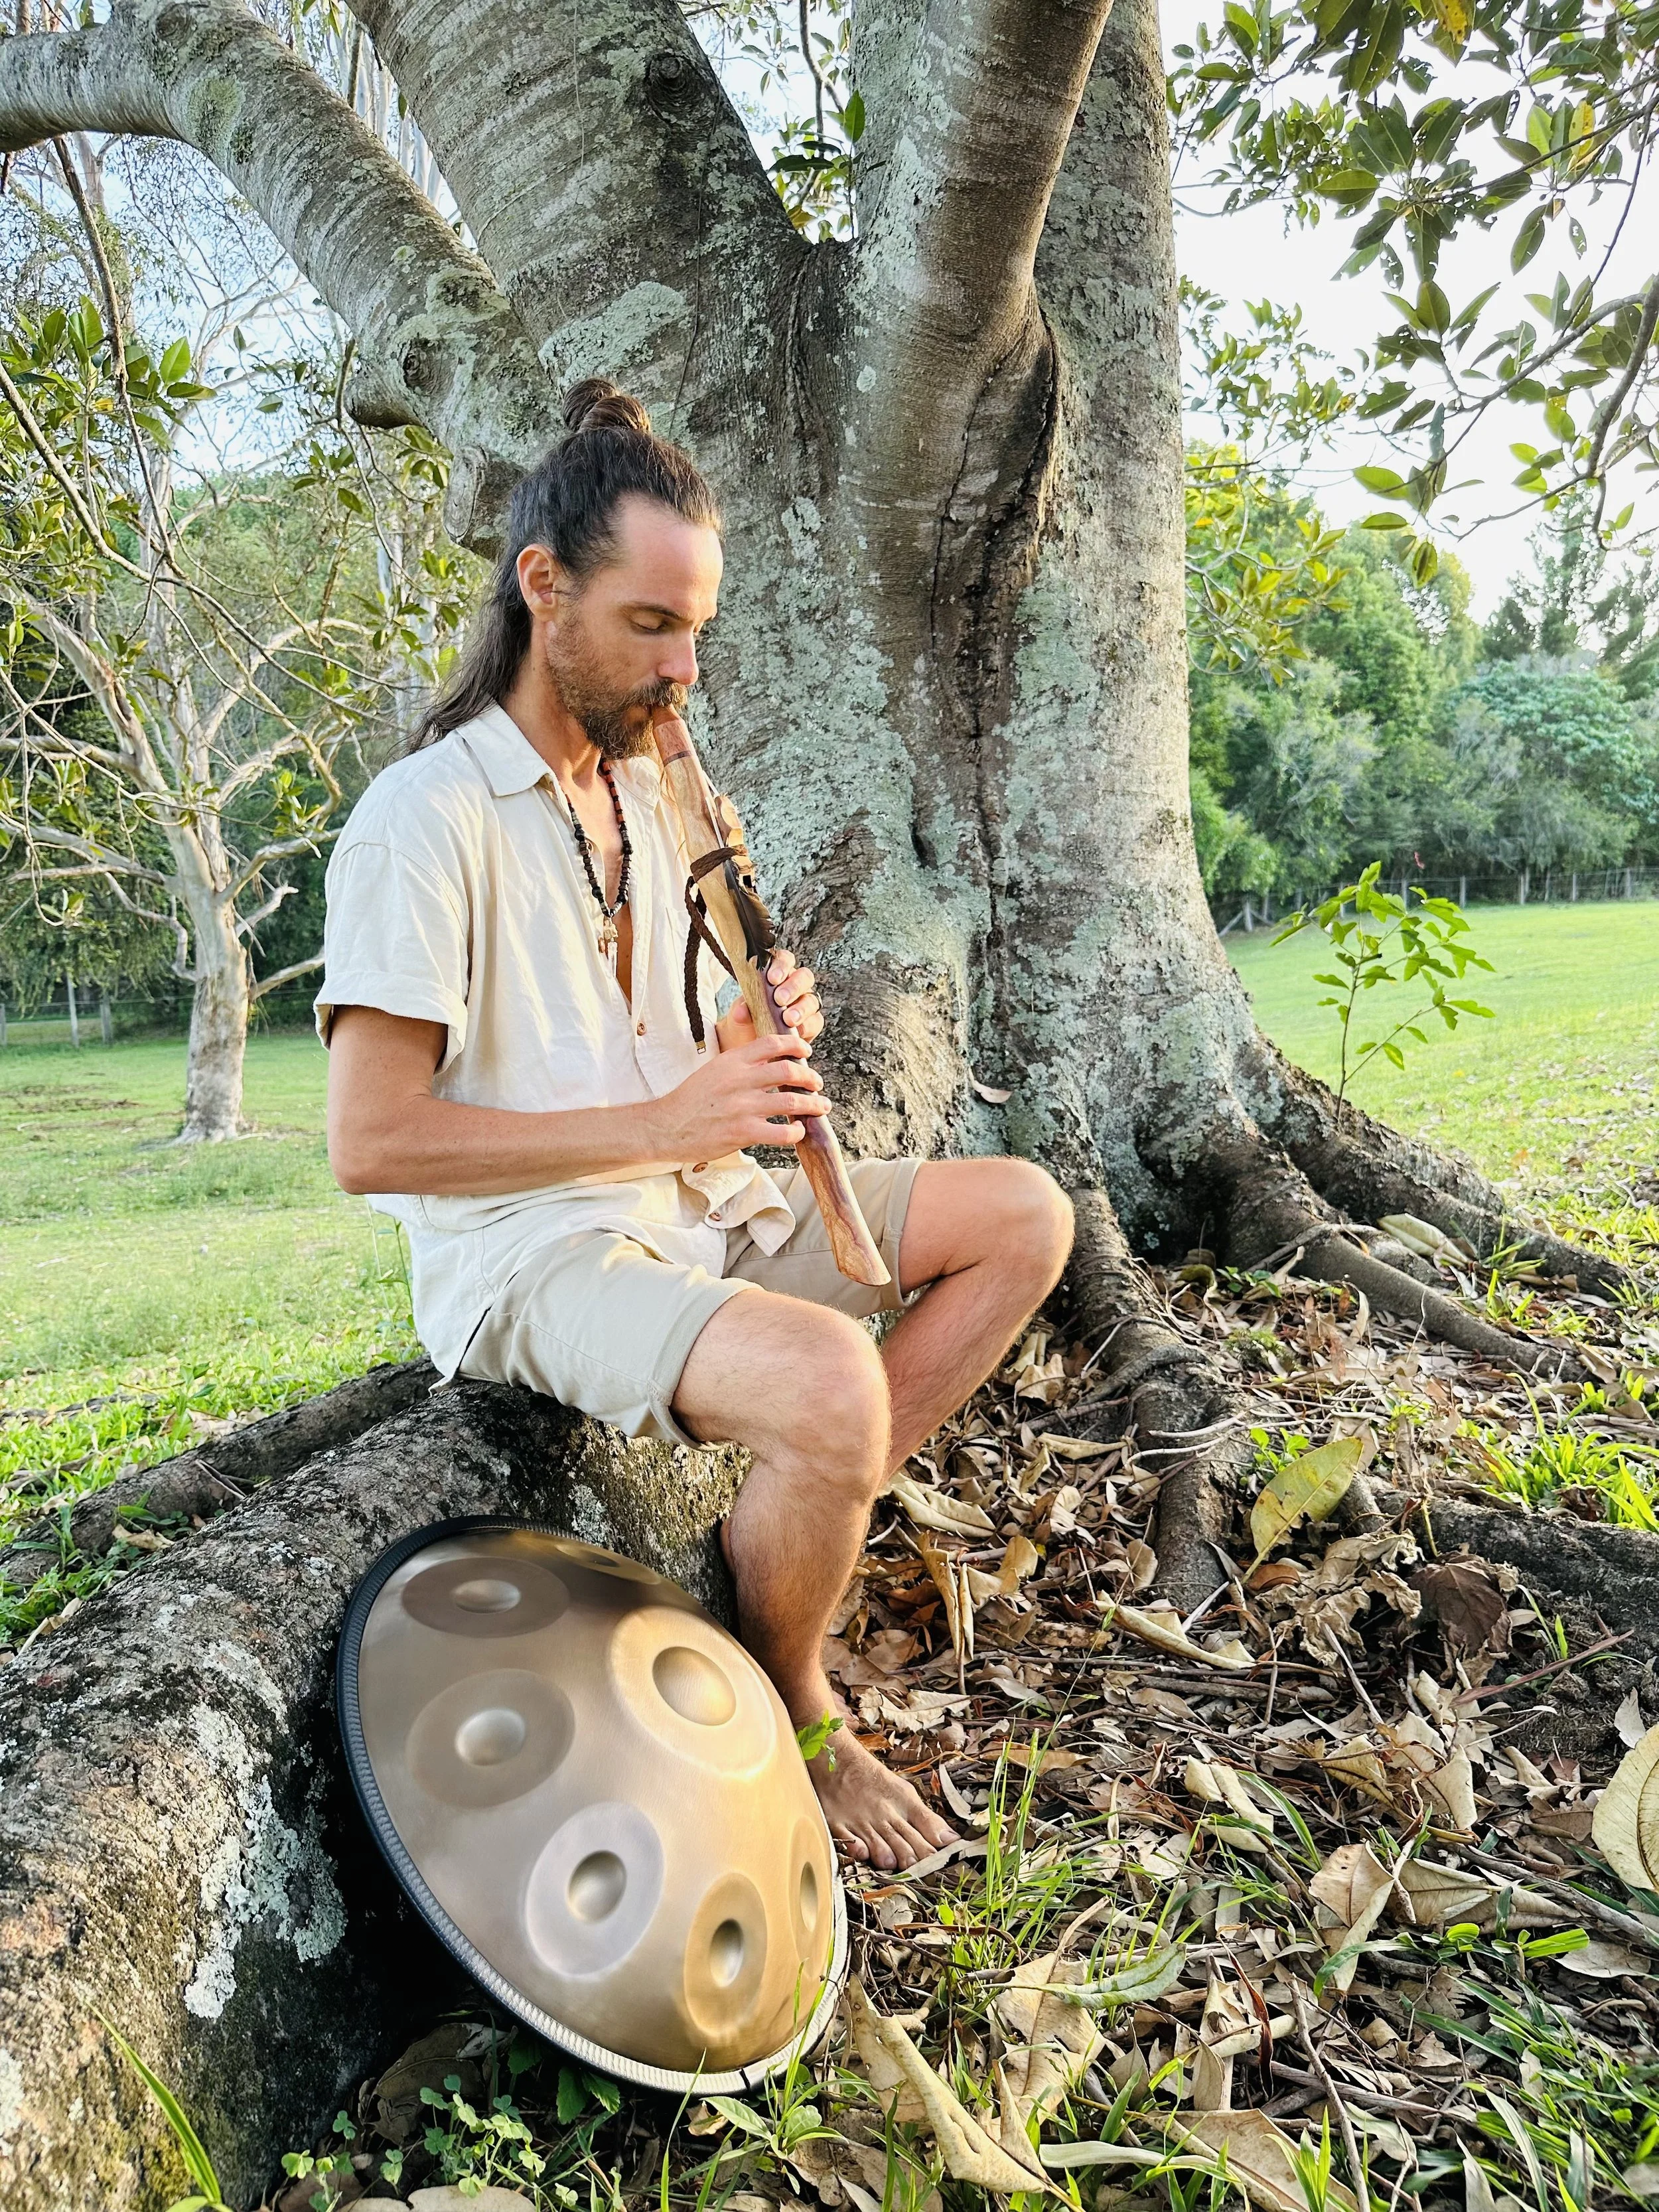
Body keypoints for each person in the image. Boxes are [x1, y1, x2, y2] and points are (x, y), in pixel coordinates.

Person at [317, 378, 1075, 1871]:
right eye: (652, 626)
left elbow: (643, 1043)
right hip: (533, 1253)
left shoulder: (655, 798)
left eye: (698, 630)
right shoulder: (427, 817)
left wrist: (735, 1042)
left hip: (690, 1203)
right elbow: (373, 1141)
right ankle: (795, 1697)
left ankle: (776, 1531)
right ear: (543, 589)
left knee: (1026, 1220)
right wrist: (668, 1115)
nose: (683, 669)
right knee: (832, 1381)